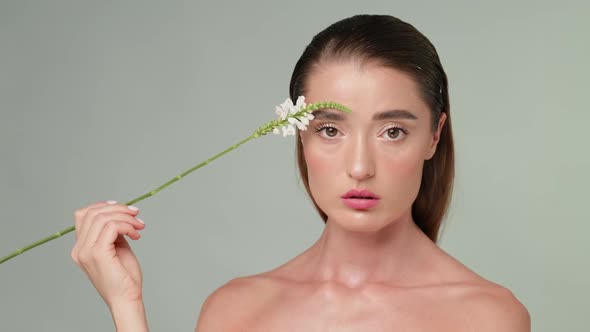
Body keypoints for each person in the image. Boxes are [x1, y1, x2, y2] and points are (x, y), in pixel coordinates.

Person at [71, 14, 531, 331]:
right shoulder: (235, 310)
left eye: (392, 131)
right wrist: (126, 306)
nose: (359, 167)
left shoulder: (487, 316)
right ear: (298, 134)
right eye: (330, 129)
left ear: (433, 136)